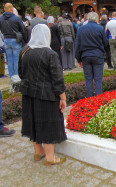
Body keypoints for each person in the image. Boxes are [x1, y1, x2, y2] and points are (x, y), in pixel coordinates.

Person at [19, 24, 67, 165]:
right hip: (46, 94)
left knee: (32, 120)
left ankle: (38, 151)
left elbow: (21, 73)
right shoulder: (50, 54)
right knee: (48, 123)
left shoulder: (24, 51)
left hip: (28, 93)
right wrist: (62, 97)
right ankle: (50, 157)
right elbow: (57, 79)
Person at [75, 12, 108, 97]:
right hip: (98, 55)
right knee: (98, 79)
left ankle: (89, 99)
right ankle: (98, 99)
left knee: (88, 79)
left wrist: (78, 59)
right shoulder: (100, 28)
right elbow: (106, 43)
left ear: (88, 19)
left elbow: (77, 45)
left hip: (85, 56)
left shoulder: (81, 29)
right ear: (97, 20)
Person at [0, 3, 27, 78]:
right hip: (16, 40)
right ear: (12, 9)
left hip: (6, 39)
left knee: (10, 59)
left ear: (4, 9)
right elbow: (23, 30)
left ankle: (12, 76)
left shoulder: (1, 18)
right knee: (16, 59)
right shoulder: (17, 18)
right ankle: (17, 76)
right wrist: (25, 40)